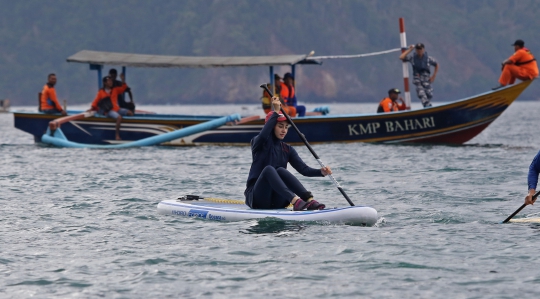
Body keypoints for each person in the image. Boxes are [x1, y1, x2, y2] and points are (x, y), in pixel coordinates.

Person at [244, 96, 332, 210]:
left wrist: (321, 172)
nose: (284, 130)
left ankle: (309, 200)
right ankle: (295, 201)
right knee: (269, 169)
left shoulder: (287, 149)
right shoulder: (258, 143)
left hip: (278, 200)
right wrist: (276, 111)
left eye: (286, 127)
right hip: (257, 198)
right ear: (271, 127)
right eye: (280, 126)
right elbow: (264, 134)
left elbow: (304, 170)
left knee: (281, 170)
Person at [88, 74, 133, 140]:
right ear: (105, 83)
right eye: (108, 81)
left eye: (111, 81)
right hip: (108, 111)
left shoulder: (115, 90)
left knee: (130, 112)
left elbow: (123, 88)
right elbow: (95, 101)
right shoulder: (101, 92)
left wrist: (123, 79)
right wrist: (91, 108)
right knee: (119, 117)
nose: (110, 82)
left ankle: (129, 132)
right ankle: (117, 135)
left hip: (116, 108)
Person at [399, 43, 439, 108]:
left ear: (423, 49)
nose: (419, 51)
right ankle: (427, 106)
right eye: (417, 49)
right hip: (418, 79)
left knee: (429, 94)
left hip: (426, 80)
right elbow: (401, 57)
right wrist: (410, 49)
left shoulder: (428, 59)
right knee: (421, 93)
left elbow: (436, 64)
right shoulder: (412, 58)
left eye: (420, 49)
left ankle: (427, 108)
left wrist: (434, 76)